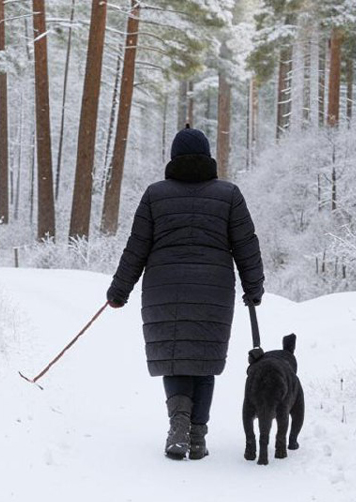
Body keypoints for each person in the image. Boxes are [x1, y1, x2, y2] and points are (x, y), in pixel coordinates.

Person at [106, 125, 265, 460]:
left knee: (177, 357)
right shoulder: (229, 194)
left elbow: (136, 247)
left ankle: (178, 423)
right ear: (207, 157)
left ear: (174, 158)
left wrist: (120, 290)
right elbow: (246, 245)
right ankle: (197, 436)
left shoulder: (155, 195)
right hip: (214, 290)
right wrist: (254, 288)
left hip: (164, 288)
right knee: (203, 360)